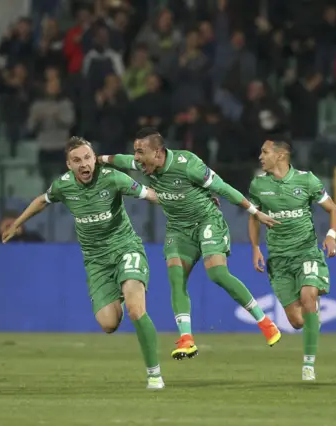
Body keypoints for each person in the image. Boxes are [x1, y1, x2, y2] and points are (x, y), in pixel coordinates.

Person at [99, 128, 282, 361]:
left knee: (217, 274)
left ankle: (265, 323)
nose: (136, 158)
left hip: (207, 221)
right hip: (178, 228)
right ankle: (186, 339)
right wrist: (97, 159)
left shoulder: (188, 164)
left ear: (157, 153)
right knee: (176, 278)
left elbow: (223, 188)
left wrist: (255, 212)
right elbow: (119, 159)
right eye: (135, 151)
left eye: (140, 152)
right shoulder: (144, 163)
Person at [2, 137, 165, 390]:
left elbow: (151, 195)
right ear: (69, 165)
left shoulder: (113, 178)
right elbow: (41, 201)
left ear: (94, 158)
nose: (84, 164)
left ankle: (154, 374)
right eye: (77, 160)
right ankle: (123, 291)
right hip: (96, 261)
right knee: (108, 324)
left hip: (125, 249)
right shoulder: (64, 186)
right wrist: (17, 223)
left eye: (88, 158)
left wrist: (187, 200)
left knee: (135, 309)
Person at [248, 140, 336, 381]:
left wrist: (331, 236)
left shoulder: (306, 180)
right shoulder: (258, 185)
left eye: (264, 152)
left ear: (281, 155)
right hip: (278, 258)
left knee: (309, 296)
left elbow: (333, 209)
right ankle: (311, 318)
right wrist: (256, 248)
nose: (260, 156)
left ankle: (308, 365)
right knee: (297, 322)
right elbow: (253, 217)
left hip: (306, 251)